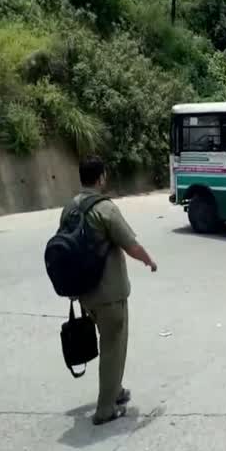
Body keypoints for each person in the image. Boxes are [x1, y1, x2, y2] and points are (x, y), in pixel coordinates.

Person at [61, 156, 157, 425]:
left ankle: (115, 390)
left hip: (85, 294)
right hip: (110, 294)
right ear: (101, 178)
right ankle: (105, 409)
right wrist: (149, 260)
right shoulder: (105, 209)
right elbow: (130, 244)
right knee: (114, 346)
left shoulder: (70, 207)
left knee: (110, 342)